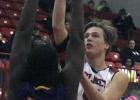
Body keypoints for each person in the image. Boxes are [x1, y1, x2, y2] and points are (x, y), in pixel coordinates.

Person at [7, 0, 84, 100]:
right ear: (57, 67)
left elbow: (23, 31)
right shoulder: (65, 87)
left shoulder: (19, 83)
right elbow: (77, 40)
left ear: (28, 65)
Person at [52, 0, 129, 100]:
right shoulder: (72, 58)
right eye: (86, 36)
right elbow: (57, 27)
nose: (89, 38)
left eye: (95, 36)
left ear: (106, 45)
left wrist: (79, 73)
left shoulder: (118, 76)